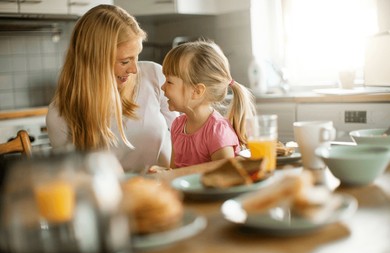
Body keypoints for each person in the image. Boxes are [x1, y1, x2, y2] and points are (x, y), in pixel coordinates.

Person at [46, 4, 178, 172]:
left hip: (164, 191)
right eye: (125, 61)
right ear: (94, 61)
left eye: (136, 57)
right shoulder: (60, 114)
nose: (134, 69)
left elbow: (182, 136)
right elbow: (73, 182)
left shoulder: (155, 76)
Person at [160, 40, 256, 168]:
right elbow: (174, 172)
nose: (162, 87)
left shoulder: (217, 132)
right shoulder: (177, 126)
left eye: (169, 81)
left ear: (197, 91)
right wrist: (163, 173)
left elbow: (224, 180)